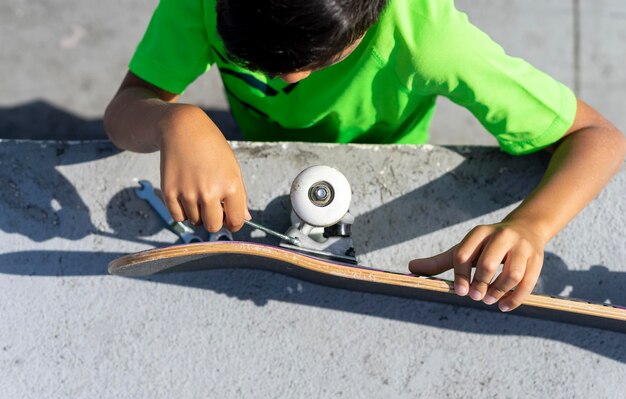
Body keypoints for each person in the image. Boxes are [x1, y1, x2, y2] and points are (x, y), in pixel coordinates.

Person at [104, 0, 626, 312]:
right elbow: (126, 106)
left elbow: (598, 137)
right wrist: (175, 121)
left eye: (316, 60)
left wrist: (532, 225)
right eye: (255, 62)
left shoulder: (428, 37)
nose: (286, 80)